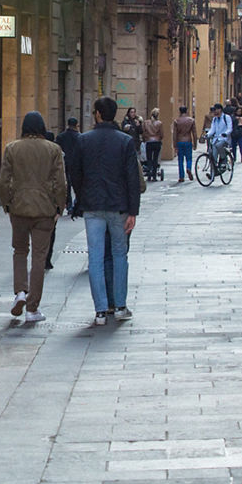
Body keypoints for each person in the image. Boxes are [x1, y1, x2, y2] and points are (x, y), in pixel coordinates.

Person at [68, 97, 142, 326]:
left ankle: (100, 310)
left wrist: (81, 197)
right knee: (120, 255)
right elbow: (132, 177)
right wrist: (133, 211)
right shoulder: (125, 141)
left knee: (96, 257)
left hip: (93, 206)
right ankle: (120, 306)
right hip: (119, 206)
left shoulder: (83, 140)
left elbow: (75, 173)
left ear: (98, 114)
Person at [0, 111, 67, 323]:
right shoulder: (53, 149)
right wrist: (59, 207)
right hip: (44, 209)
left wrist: (7, 203)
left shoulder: (12, 148)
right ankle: (32, 307)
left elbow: (3, 181)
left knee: (19, 251)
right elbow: (60, 182)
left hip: (19, 208)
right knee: (39, 256)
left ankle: (20, 291)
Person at [55, 117, 82, 212]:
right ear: (76, 125)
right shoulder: (80, 137)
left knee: (67, 184)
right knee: (77, 183)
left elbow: (57, 149)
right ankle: (77, 203)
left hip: (64, 162)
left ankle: (68, 203)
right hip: (76, 164)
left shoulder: (60, 136)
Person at [171, 106, 197, 183]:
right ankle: (188, 168)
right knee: (189, 158)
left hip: (180, 141)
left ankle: (181, 176)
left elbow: (174, 134)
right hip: (188, 141)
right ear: (187, 111)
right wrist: (195, 144)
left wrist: (174, 145)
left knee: (180, 159)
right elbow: (194, 133)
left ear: (179, 111)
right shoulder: (191, 120)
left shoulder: (176, 121)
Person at [205, 103, 234, 170]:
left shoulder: (226, 117)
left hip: (225, 139)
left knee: (218, 145)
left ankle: (224, 159)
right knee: (213, 153)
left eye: (215, 110)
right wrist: (208, 134)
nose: (214, 112)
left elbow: (230, 128)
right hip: (216, 139)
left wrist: (225, 133)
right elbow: (212, 129)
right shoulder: (214, 119)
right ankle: (214, 171)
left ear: (220, 110)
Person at [141, 108, 164, 181]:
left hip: (149, 142)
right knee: (155, 158)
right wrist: (160, 138)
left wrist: (145, 139)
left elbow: (144, 132)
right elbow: (161, 134)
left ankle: (149, 175)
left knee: (149, 158)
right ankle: (154, 175)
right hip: (157, 142)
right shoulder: (159, 123)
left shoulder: (146, 122)